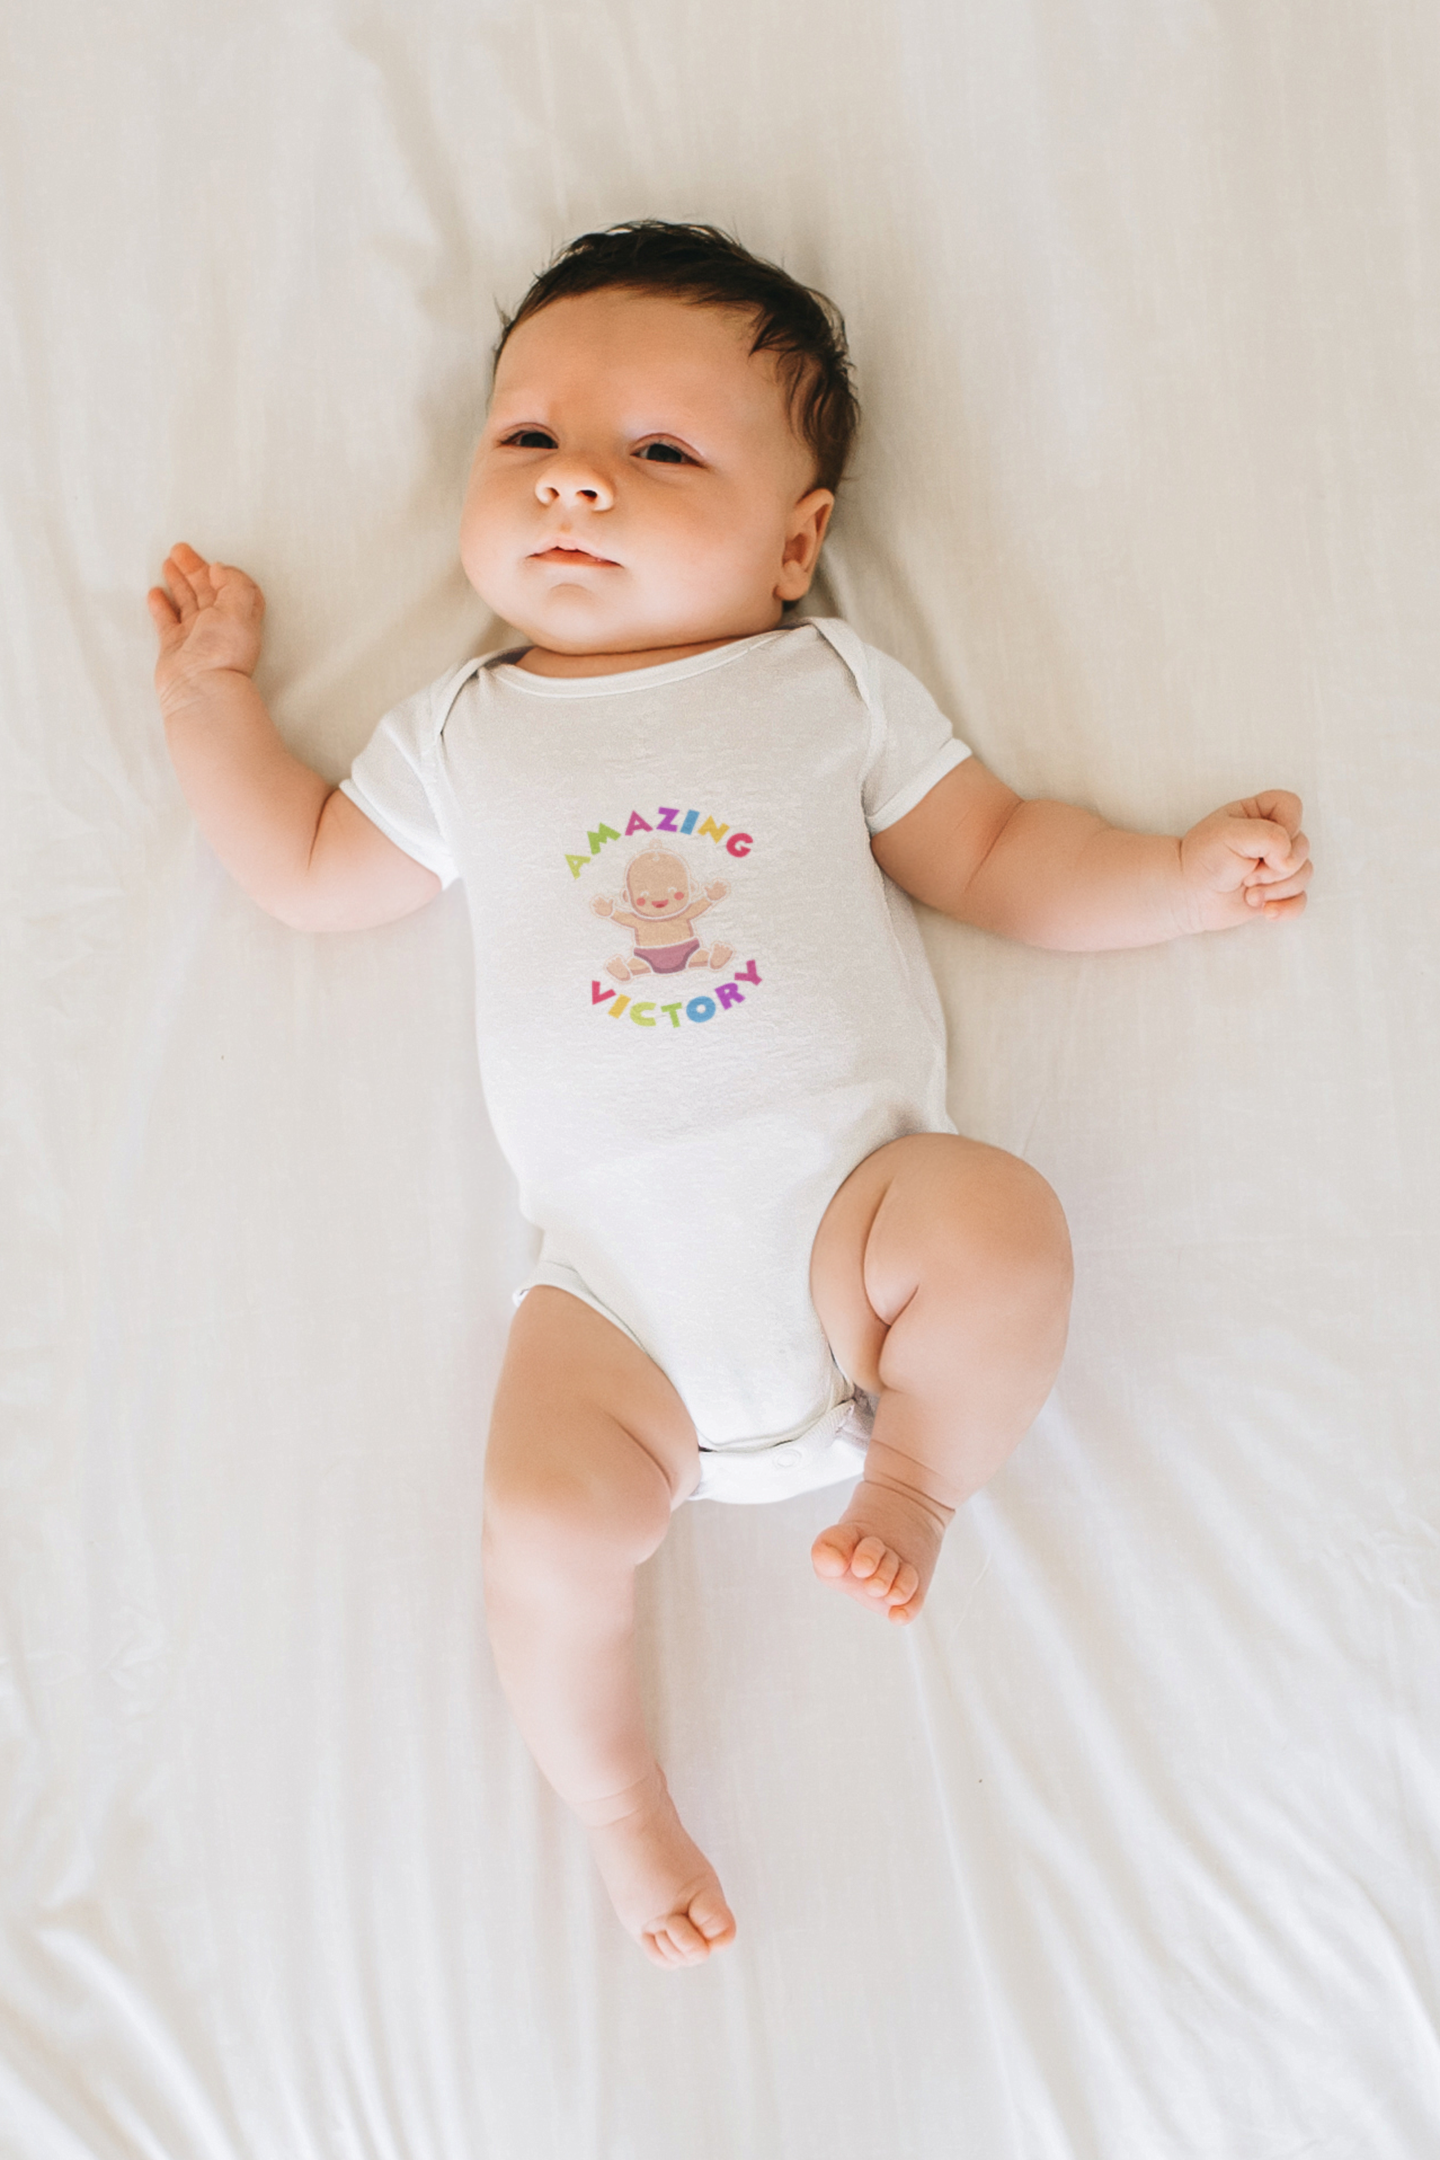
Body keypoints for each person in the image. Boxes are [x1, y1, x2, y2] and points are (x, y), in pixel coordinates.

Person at [147, 221, 1312, 1971]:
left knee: (998, 1221)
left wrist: (1173, 879)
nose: (577, 483)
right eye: (530, 438)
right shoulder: (462, 734)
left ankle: (914, 1481)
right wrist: (209, 703)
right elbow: (311, 866)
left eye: (659, 452)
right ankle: (618, 1804)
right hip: (614, 1305)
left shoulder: (823, 687)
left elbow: (997, 853)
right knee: (542, 1524)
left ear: (796, 544)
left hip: (856, 1234)